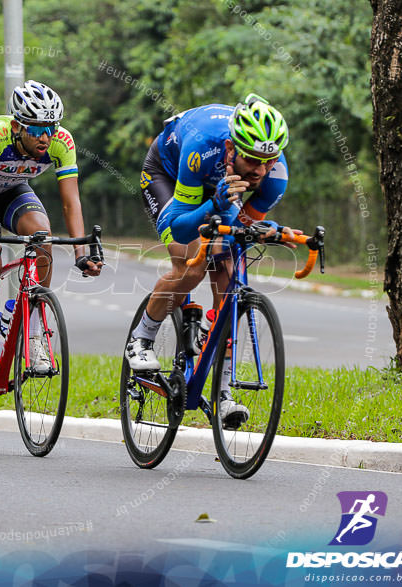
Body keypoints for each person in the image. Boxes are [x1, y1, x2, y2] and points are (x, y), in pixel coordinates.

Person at [130, 93, 293, 428]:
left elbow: (242, 225)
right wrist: (213, 205)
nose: (260, 170)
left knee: (229, 269)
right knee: (190, 264)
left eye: (269, 160)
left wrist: (261, 229)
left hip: (218, 192)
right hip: (170, 174)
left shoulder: (275, 174)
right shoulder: (202, 146)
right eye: (251, 161)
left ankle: (221, 390)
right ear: (232, 148)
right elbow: (181, 224)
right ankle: (142, 338)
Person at [0, 80, 102, 406]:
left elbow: (71, 202)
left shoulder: (61, 141)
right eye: (36, 130)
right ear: (16, 126)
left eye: (51, 128)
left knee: (42, 239)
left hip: (14, 190)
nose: (46, 137)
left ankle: (32, 333)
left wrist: (81, 253)